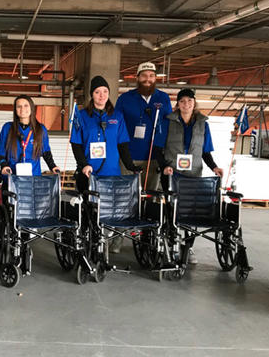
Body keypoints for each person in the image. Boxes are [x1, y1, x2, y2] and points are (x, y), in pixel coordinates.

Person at [155, 88, 224, 264]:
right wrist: (164, 167)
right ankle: (171, 243)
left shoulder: (202, 124)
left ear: (194, 103)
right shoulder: (167, 122)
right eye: (182, 101)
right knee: (172, 210)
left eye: (189, 101)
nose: (186, 104)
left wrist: (214, 167)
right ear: (177, 104)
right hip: (172, 173)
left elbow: (205, 151)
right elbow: (157, 150)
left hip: (193, 175)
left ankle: (188, 246)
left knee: (191, 212)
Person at [71, 76, 140, 193]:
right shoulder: (81, 116)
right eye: (97, 92)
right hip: (90, 172)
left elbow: (122, 144)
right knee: (89, 208)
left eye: (105, 91)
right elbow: (76, 144)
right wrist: (84, 165)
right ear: (92, 95)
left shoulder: (117, 116)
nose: (101, 95)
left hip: (111, 172)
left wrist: (130, 166)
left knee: (110, 207)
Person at [115, 62, 172, 190]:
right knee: (127, 195)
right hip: (128, 158)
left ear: (155, 78)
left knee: (150, 196)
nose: (148, 79)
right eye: (144, 75)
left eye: (151, 75)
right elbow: (117, 127)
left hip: (153, 158)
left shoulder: (163, 98)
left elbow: (169, 125)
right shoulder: (125, 98)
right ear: (137, 78)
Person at [0, 95, 60, 185]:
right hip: (11, 177)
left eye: (26, 105)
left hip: (33, 177)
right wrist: (4, 165)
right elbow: (0, 152)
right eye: (19, 106)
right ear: (15, 110)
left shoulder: (40, 129)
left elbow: (45, 151)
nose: (22, 109)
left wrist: (52, 166)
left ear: (32, 108)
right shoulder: (7, 128)